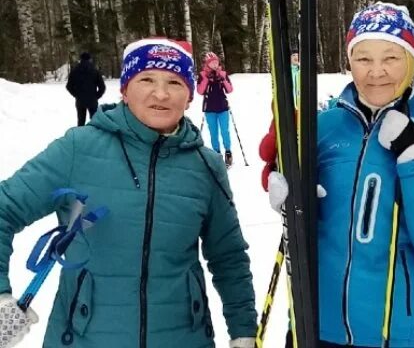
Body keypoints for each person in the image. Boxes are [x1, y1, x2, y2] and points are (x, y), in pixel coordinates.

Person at [0, 38, 257, 348]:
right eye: (147, 79)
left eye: (174, 82)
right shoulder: (78, 149)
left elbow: (228, 255)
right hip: (85, 339)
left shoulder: (206, 165)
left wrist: (243, 331)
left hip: (182, 338)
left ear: (189, 95)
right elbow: (5, 208)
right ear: (124, 89)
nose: (161, 93)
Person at [264, 2, 414, 348]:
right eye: (363, 58)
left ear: (412, 61)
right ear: (349, 63)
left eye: (391, 58)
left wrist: (413, 159)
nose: (377, 72)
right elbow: (296, 211)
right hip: (317, 325)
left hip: (401, 333)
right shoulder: (321, 129)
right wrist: (285, 192)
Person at [197, 52, 235, 167]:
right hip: (209, 108)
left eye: (216, 62)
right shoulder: (203, 75)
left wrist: (222, 78)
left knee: (225, 131)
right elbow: (200, 91)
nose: (214, 64)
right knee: (213, 132)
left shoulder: (222, 73)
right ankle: (216, 153)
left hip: (222, 107)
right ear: (207, 64)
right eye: (212, 63)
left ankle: (228, 152)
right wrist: (207, 79)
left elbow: (230, 89)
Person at [66, 52, 106, 126]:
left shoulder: (75, 71)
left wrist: (76, 95)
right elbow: (102, 87)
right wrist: (96, 96)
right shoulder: (95, 70)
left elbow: (69, 86)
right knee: (95, 122)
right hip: (92, 100)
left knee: (81, 121)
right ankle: (94, 136)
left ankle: (81, 136)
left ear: (80, 59)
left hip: (80, 100)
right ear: (90, 59)